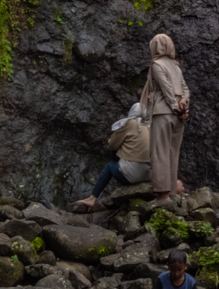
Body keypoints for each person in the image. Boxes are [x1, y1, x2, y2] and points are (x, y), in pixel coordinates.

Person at [73, 103, 153, 211]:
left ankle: (92, 198)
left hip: (134, 175)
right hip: (149, 175)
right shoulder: (151, 127)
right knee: (124, 164)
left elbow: (112, 145)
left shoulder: (130, 123)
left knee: (110, 166)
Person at [139, 33, 190, 202]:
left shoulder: (156, 65)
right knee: (172, 152)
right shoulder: (176, 67)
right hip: (178, 117)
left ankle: (162, 194)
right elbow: (185, 89)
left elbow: (166, 89)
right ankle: (172, 193)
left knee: (160, 152)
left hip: (163, 112)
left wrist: (176, 107)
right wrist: (184, 105)